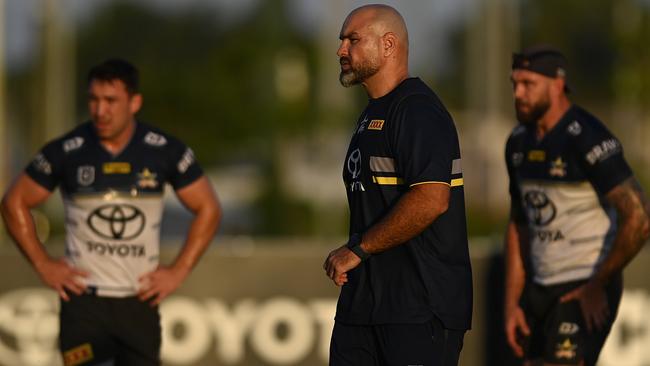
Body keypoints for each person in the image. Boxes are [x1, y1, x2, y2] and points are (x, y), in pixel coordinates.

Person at [1, 59, 222, 366]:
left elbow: (208, 207)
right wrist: (43, 264)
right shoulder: (68, 150)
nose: (100, 111)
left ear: (134, 103)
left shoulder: (163, 151)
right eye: (93, 100)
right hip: (84, 304)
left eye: (110, 101)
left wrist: (179, 271)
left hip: (138, 302)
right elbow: (14, 202)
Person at [323, 5, 472, 366]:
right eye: (342, 40)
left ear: (388, 45)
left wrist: (359, 249)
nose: (341, 50)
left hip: (418, 309)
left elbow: (432, 199)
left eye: (352, 39)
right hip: (363, 308)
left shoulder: (417, 110)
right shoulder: (371, 115)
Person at [504, 45, 650, 366]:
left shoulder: (586, 136)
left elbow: (639, 218)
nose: (518, 93)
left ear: (557, 84)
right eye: (514, 83)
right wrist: (513, 302)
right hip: (539, 288)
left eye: (528, 84)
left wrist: (598, 283)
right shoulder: (517, 142)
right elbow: (519, 225)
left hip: (584, 286)